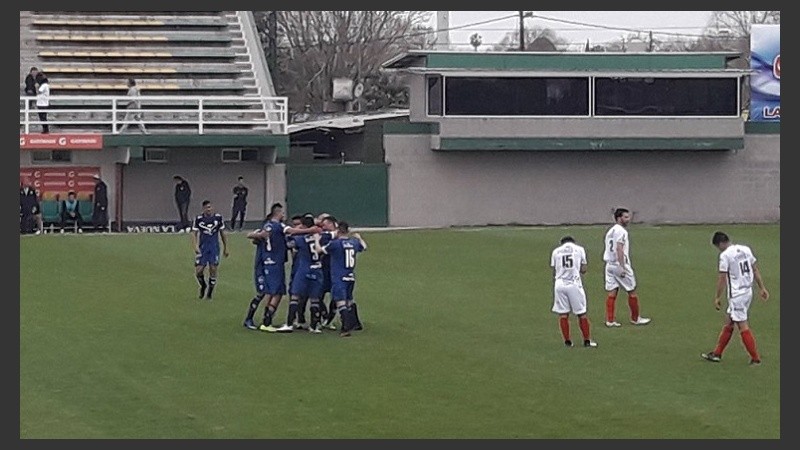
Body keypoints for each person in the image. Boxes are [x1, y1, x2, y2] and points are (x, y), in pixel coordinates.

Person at [701, 232, 769, 365]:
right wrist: (762, 287)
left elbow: (722, 278)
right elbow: (755, 269)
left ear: (720, 244)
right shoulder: (745, 249)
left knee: (742, 325)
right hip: (748, 291)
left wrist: (717, 297)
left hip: (737, 295)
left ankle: (755, 358)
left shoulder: (725, 256)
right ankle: (717, 353)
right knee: (729, 321)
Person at [280, 215, 331, 333]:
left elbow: (288, 244)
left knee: (295, 296)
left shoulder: (300, 239)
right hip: (318, 269)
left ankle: (289, 324)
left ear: (303, 225)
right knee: (315, 299)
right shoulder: (321, 237)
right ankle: (314, 326)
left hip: (304, 269)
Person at [603, 207, 650, 327]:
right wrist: (622, 266)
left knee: (612, 291)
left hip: (609, 265)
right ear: (619, 218)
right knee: (632, 290)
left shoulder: (610, 231)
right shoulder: (621, 231)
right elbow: (619, 248)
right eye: (625, 217)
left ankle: (610, 320)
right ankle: (635, 318)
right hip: (619, 264)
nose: (628, 219)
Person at [321, 221, 367, 337]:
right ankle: (355, 323)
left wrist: (316, 240)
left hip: (339, 276)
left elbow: (319, 250)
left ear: (338, 230)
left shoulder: (335, 244)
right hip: (350, 276)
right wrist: (359, 238)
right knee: (349, 300)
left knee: (340, 301)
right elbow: (364, 247)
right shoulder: (354, 242)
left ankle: (346, 328)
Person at [550, 236, 597, 348]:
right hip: (574, 284)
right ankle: (586, 341)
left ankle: (567, 341)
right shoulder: (579, 249)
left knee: (563, 314)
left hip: (560, 284)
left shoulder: (556, 251)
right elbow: (584, 269)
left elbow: (554, 268)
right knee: (581, 313)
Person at [191, 200, 229, 300]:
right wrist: (195, 246)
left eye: (210, 207)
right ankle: (203, 285)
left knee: (213, 269)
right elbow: (194, 233)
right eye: (207, 207)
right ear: (203, 209)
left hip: (214, 247)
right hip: (203, 248)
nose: (209, 209)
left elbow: (222, 233)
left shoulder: (218, 218)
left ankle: (210, 293)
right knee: (199, 270)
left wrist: (226, 248)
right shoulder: (199, 219)